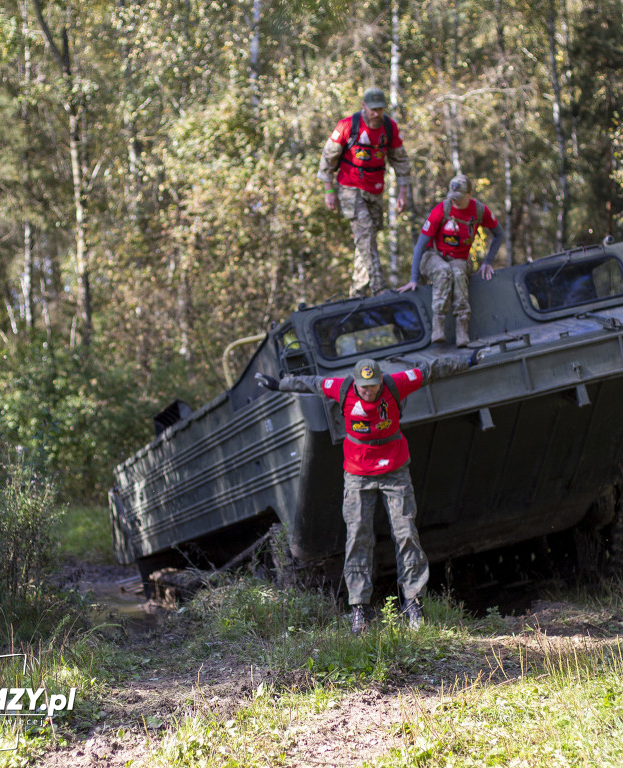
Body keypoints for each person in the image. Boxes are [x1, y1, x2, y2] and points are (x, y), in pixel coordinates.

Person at [254, 356, 465, 635]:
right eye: (364, 388)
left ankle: (413, 604)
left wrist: (468, 360)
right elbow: (311, 383)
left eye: (373, 387)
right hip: (358, 472)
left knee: (406, 534)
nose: (369, 392)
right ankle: (359, 609)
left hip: (394, 469)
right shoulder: (342, 388)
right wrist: (280, 384)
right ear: (356, 383)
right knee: (358, 537)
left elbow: (429, 371)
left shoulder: (395, 384)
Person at [319, 87, 412, 297]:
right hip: (350, 189)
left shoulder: (389, 128)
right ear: (364, 106)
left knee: (366, 239)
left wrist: (402, 193)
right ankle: (379, 288)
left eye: (380, 109)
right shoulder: (346, 126)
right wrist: (329, 191)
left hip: (375, 191)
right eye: (373, 109)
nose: (377, 114)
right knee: (366, 233)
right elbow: (327, 159)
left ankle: (358, 292)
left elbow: (401, 161)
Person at [398, 174, 505, 347]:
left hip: (459, 259)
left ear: (470, 194)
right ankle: (438, 327)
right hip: (433, 256)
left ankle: (462, 329)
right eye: (453, 198)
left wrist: (487, 261)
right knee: (443, 271)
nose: (455, 202)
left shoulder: (479, 210)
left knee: (457, 272)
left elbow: (499, 234)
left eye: (460, 198)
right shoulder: (442, 209)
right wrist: (413, 278)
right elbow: (420, 246)